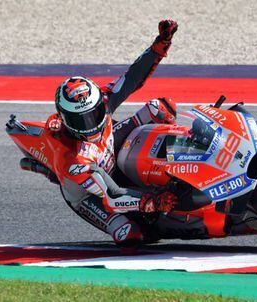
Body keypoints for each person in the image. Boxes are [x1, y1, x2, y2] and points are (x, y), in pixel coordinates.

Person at [38, 20, 179, 247]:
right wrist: (151, 201)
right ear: (65, 119)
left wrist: (160, 44)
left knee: (161, 109)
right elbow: (112, 196)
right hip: (92, 195)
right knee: (132, 234)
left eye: (93, 114)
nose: (90, 123)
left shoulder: (103, 101)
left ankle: (182, 158)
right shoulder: (73, 160)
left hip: (109, 153)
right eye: (79, 120)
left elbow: (132, 78)